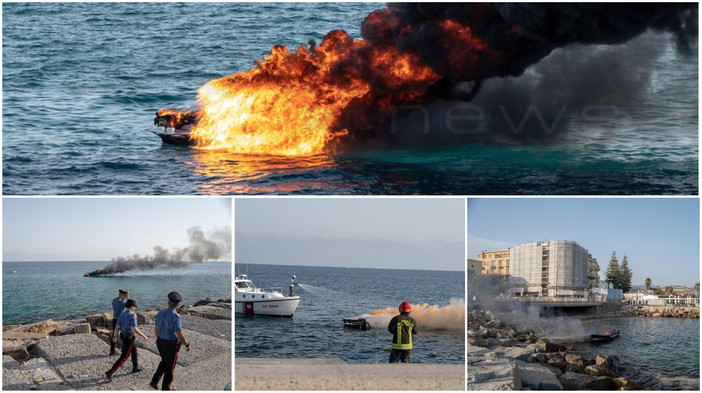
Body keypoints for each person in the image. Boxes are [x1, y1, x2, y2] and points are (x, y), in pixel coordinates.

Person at [150, 292, 190, 391]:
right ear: (178, 305)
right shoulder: (176, 317)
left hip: (160, 341)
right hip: (170, 345)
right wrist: (187, 345)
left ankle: (154, 381)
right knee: (170, 369)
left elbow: (156, 329)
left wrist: (159, 339)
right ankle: (166, 389)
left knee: (164, 361)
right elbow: (179, 334)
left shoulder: (160, 313)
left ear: (168, 302)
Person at [105, 299, 147, 382]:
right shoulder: (132, 316)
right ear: (132, 307)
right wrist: (143, 335)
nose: (135, 308)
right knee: (124, 356)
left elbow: (117, 327)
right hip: (129, 338)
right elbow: (135, 329)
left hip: (123, 336)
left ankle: (135, 367)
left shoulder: (121, 314)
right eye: (134, 307)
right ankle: (110, 372)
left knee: (134, 351)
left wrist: (114, 336)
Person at [110, 289, 129, 355]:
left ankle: (112, 351)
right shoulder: (122, 302)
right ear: (123, 295)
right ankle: (124, 350)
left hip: (114, 320)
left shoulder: (114, 300)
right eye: (124, 296)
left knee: (114, 335)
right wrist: (127, 297)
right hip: (120, 321)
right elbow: (130, 306)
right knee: (125, 334)